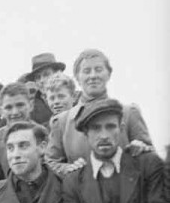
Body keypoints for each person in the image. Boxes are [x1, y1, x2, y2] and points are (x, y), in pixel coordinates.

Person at [46, 48, 152, 177]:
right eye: (86, 71)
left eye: (98, 69)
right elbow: (52, 161)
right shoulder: (62, 121)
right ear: (77, 78)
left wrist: (141, 149)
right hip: (81, 194)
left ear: (108, 74)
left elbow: (151, 159)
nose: (93, 76)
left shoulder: (129, 113)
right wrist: (70, 170)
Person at [0, 82, 35, 189]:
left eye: (20, 105)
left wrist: (1, 185)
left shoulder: (39, 132)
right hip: (10, 200)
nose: (15, 112)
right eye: (8, 107)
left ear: (30, 105)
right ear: (1, 110)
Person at [24, 53, 66, 125]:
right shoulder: (31, 110)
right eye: (38, 77)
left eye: (46, 74)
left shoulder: (77, 99)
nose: (41, 81)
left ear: (58, 73)